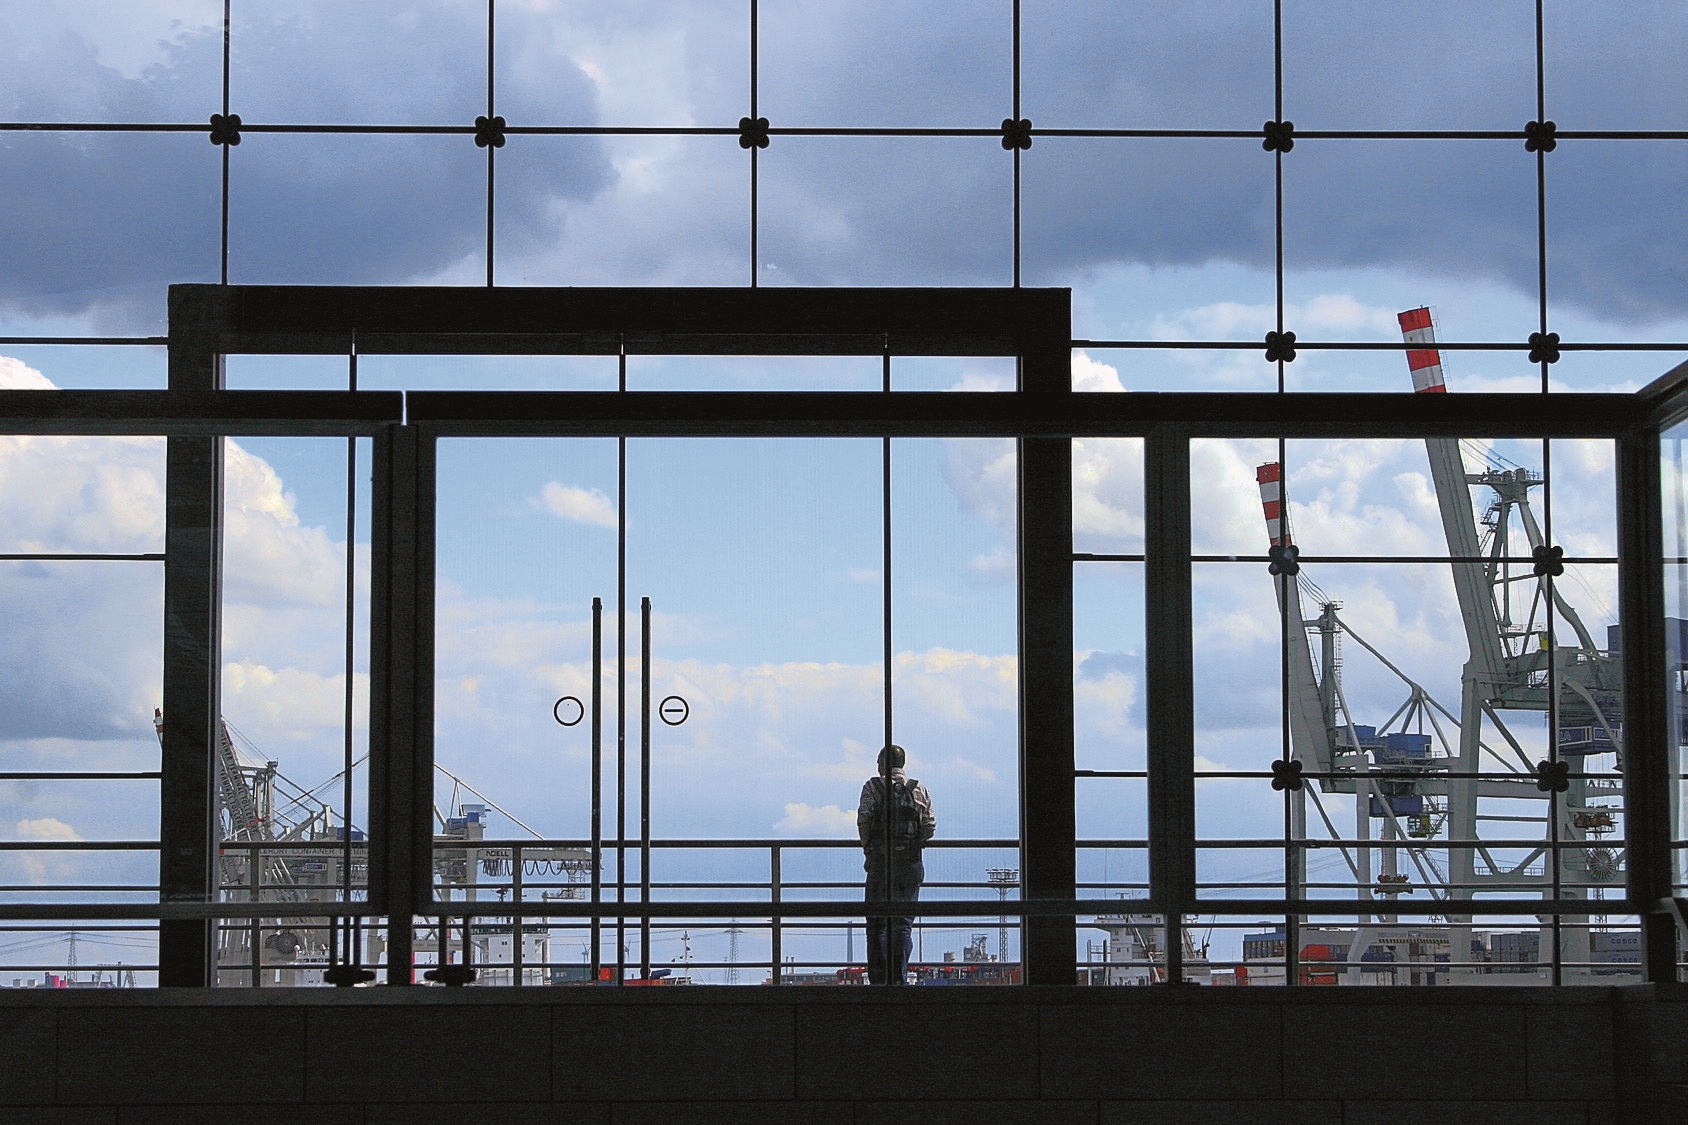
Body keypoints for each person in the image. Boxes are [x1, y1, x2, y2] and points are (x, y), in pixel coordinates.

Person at [857, 744, 935, 984]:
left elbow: (863, 821)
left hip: (880, 863)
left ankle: (878, 980)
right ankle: (898, 979)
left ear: (882, 763)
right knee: (902, 923)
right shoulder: (918, 788)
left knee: (877, 922)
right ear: (902, 764)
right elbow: (929, 827)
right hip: (910, 864)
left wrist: (869, 849)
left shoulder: (872, 787)